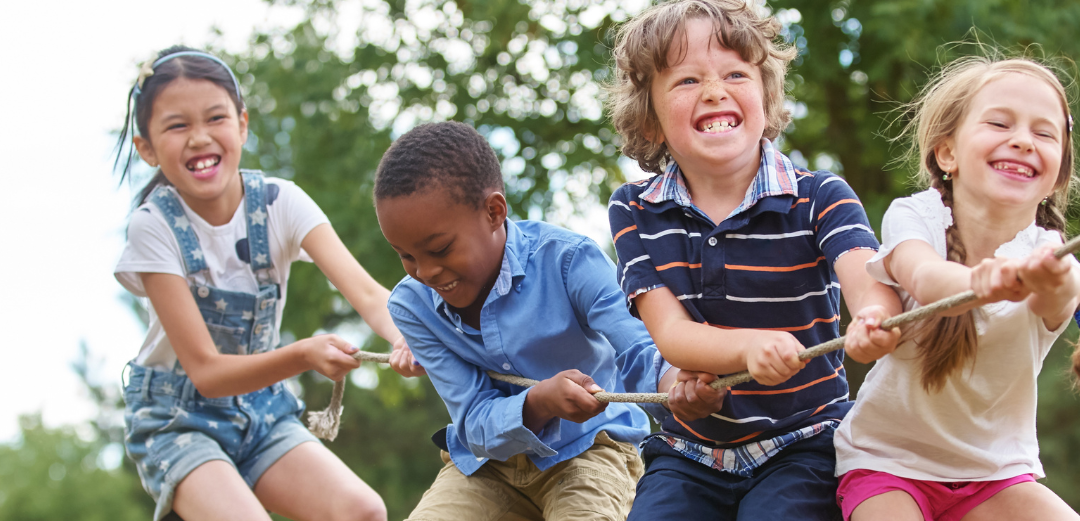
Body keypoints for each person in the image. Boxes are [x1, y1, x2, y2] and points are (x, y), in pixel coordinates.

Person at [605, 0, 903, 519]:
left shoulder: (819, 196)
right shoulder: (633, 209)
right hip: (688, 453)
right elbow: (671, 334)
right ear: (650, 121)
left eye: (735, 74)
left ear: (765, 96)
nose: (715, 91)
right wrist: (748, 348)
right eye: (686, 81)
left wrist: (875, 315)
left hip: (804, 442)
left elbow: (863, 273)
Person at [374, 121, 720, 521]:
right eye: (406, 256)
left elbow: (641, 345)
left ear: (494, 212)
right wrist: (537, 403)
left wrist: (676, 385)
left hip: (592, 449)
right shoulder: (411, 307)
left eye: (440, 249)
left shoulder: (569, 260)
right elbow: (473, 421)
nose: (426, 271)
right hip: (485, 465)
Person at [113, 46, 399, 521]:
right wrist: (305, 354)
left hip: (261, 412)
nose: (199, 138)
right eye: (177, 125)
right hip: (178, 419)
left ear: (242, 124)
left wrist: (410, 339)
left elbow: (369, 294)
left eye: (215, 118)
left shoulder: (280, 203)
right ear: (147, 147)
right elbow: (205, 371)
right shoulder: (152, 227)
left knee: (363, 511)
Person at [832, 55, 1080, 521]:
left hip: (996, 474)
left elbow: (1060, 293)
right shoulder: (915, 216)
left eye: (1044, 134)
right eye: (1000, 123)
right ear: (947, 154)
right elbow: (922, 277)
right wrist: (978, 282)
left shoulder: (1048, 253)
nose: (1024, 140)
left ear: (1057, 173)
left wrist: (1052, 279)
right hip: (888, 464)